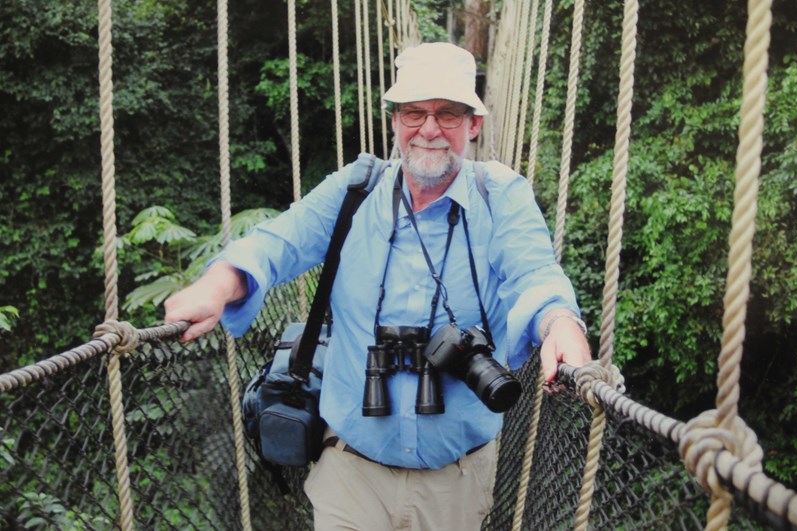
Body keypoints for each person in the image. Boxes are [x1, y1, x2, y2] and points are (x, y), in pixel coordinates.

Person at [165, 42, 591, 530]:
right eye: (414, 112)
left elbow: (534, 271)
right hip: (351, 471)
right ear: (393, 120)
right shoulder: (356, 189)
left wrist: (560, 321)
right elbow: (280, 241)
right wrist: (220, 282)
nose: (429, 129)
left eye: (448, 114)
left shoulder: (501, 196)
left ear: (473, 126)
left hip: (456, 479)